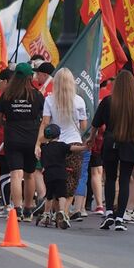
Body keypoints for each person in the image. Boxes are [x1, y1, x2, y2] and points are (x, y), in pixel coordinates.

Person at [91, 71, 134, 231]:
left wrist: (91, 140)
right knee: (125, 180)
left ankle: (109, 212)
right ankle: (120, 218)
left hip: (111, 142)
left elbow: (95, 124)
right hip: (131, 144)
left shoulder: (109, 101)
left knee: (110, 178)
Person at [0, 63, 45, 220]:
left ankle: (17, 209)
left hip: (12, 137)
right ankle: (28, 208)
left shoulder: (6, 95)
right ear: (30, 77)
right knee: (29, 175)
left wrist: (9, 124)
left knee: (15, 174)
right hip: (31, 137)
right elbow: (43, 118)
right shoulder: (37, 95)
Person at [39, 67, 88, 220]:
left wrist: (39, 143)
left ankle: (55, 212)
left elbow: (45, 124)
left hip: (55, 144)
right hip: (75, 143)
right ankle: (64, 212)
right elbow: (84, 126)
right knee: (72, 180)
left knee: (56, 180)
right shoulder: (79, 100)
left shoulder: (49, 99)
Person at [39, 123, 87, 228]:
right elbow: (72, 148)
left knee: (49, 195)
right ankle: (61, 211)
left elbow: (43, 163)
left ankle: (46, 214)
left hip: (48, 174)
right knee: (62, 195)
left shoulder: (44, 148)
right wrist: (84, 147)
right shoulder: (62, 146)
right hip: (61, 173)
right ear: (59, 135)